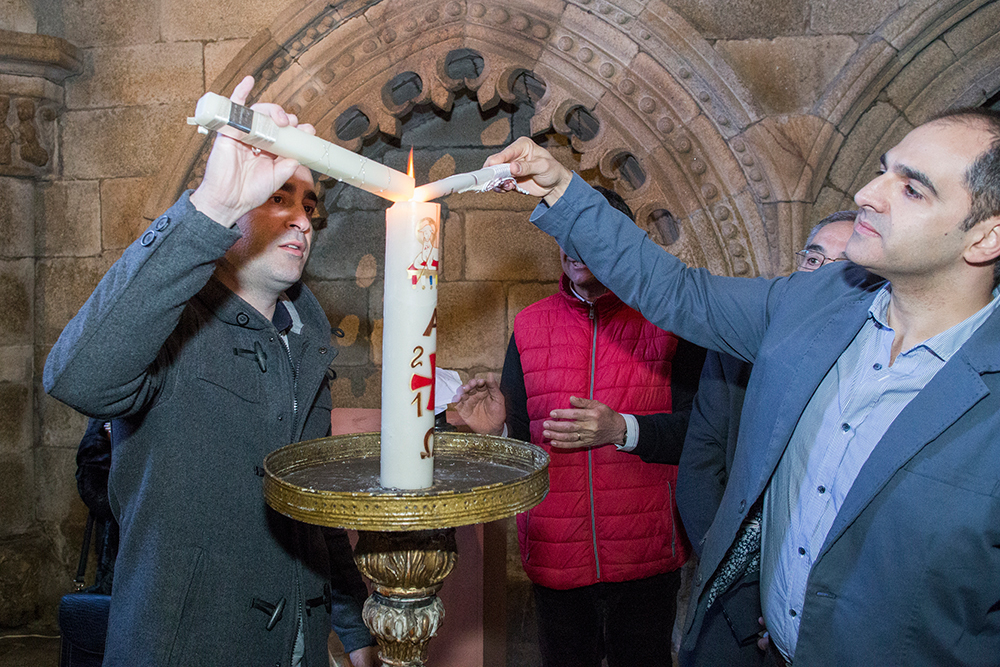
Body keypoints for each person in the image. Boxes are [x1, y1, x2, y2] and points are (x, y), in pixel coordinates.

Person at [484, 107, 1000, 666]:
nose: (869, 193)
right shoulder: (814, 304)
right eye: (883, 170)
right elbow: (679, 292)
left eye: (913, 189)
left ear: (986, 237)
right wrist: (562, 189)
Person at [44, 77, 377, 667]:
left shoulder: (307, 342)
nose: (302, 219)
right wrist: (212, 205)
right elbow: (77, 378)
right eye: (279, 197)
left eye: (309, 204)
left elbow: (314, 508)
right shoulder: (171, 326)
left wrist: (354, 631)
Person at [456, 187, 705, 667]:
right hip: (556, 552)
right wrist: (497, 433)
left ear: (621, 240)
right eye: (565, 233)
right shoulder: (530, 325)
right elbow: (526, 449)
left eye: (588, 232)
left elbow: (702, 433)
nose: (574, 246)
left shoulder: (670, 320)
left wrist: (622, 429)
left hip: (645, 556)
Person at [676, 211, 856, 555]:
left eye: (842, 267)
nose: (821, 276)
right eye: (814, 259)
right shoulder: (738, 347)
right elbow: (702, 460)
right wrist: (723, 563)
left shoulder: (871, 359)